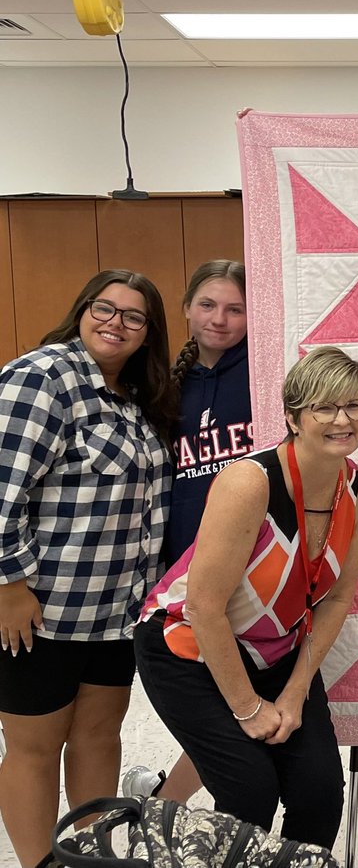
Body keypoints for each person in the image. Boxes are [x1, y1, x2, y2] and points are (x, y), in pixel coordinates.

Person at [134, 346, 358, 848]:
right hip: (185, 645)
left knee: (319, 794)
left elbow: (335, 599)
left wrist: (293, 694)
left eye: (355, 405)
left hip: (276, 652)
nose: (342, 419)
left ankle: (162, 811)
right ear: (292, 417)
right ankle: (162, 825)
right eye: (325, 407)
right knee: (250, 790)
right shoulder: (250, 482)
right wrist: (248, 708)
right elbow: (203, 606)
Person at [0, 270, 175, 868]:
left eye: (133, 316)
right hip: (42, 609)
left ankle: (90, 858)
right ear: (82, 310)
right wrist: (9, 586)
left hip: (116, 610)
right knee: (34, 746)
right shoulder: (44, 377)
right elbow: (2, 489)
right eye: (105, 308)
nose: (115, 323)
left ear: (148, 333)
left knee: (100, 736)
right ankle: (37, 864)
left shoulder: (133, 396)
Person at [122, 260, 252, 803]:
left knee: (234, 693)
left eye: (235, 308)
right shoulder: (161, 385)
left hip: (250, 558)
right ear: (185, 310)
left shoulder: (265, 373)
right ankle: (166, 800)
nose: (219, 320)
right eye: (207, 305)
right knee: (207, 692)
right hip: (181, 565)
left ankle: (166, 802)